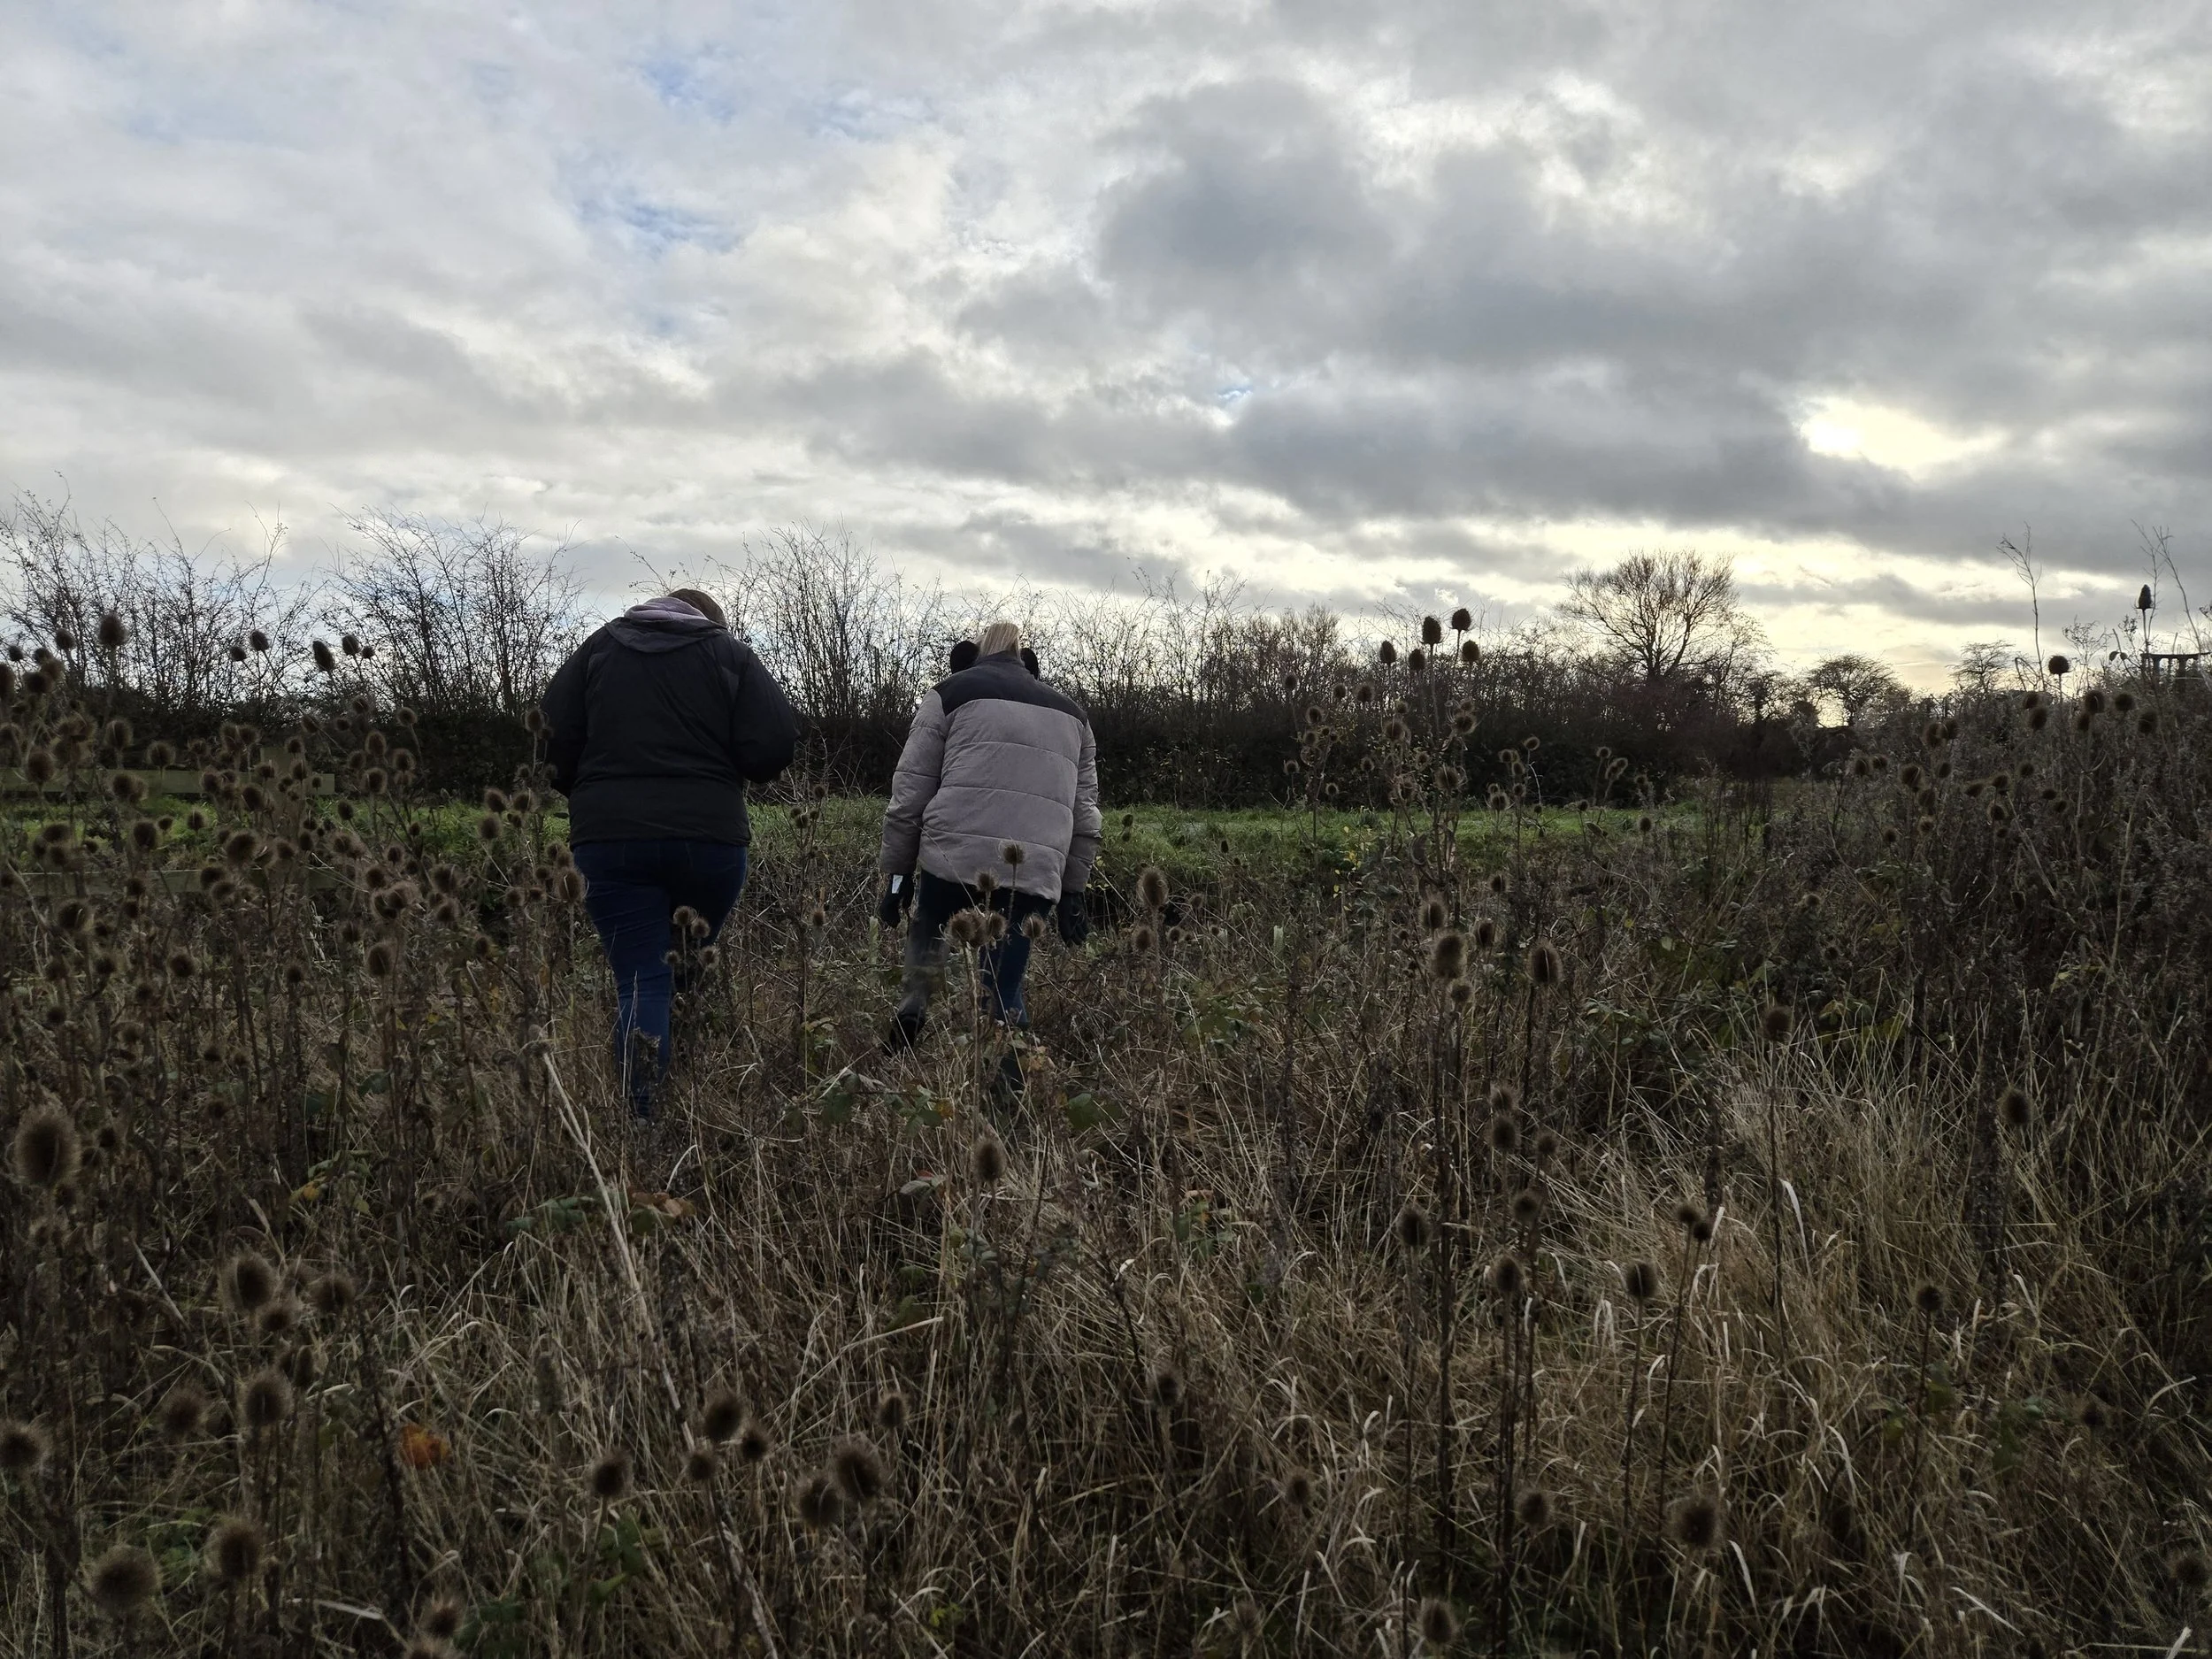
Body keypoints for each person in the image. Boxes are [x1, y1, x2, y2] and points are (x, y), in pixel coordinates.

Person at [541, 589, 796, 1115]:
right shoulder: (729, 654)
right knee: (686, 963)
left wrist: (592, 796)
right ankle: (683, 1079)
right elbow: (771, 748)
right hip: (709, 841)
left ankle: (642, 1120)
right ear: (710, 621)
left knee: (643, 979)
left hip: (610, 841)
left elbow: (551, 742)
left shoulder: (596, 651)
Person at [879, 620, 1098, 1066]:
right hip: (1034, 869)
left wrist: (898, 878)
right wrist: (1073, 891)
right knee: (1002, 985)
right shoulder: (1075, 716)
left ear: (971, 657)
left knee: (928, 938)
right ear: (1028, 663)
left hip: (952, 859)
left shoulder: (948, 694)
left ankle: (909, 1023)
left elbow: (908, 796)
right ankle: (1011, 1084)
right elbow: (1086, 815)